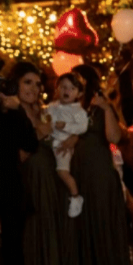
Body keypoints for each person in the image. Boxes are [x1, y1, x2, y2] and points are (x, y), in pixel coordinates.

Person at [13, 62, 81, 265]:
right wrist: (37, 136)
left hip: (52, 181)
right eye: (27, 82)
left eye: (38, 83)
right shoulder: (12, 112)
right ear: (16, 84)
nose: (34, 88)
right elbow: (14, 154)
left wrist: (73, 138)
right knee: (35, 237)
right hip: (30, 183)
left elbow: (64, 132)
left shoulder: (43, 111)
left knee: (55, 234)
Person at [70, 64, 129, 265]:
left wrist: (106, 108)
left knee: (101, 215)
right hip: (76, 169)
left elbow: (114, 136)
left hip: (99, 168)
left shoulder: (99, 106)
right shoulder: (66, 106)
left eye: (78, 79)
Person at [0, 77, 38, 265]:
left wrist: (15, 109)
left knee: (14, 252)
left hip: (10, 189)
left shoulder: (13, 113)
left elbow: (30, 144)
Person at [46, 73, 88, 218]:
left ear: (79, 93)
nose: (66, 91)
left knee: (62, 172)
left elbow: (82, 127)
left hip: (63, 146)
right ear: (57, 88)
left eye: (72, 88)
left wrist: (66, 126)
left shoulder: (78, 111)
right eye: (63, 87)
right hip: (50, 143)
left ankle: (76, 196)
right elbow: (46, 120)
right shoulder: (52, 107)